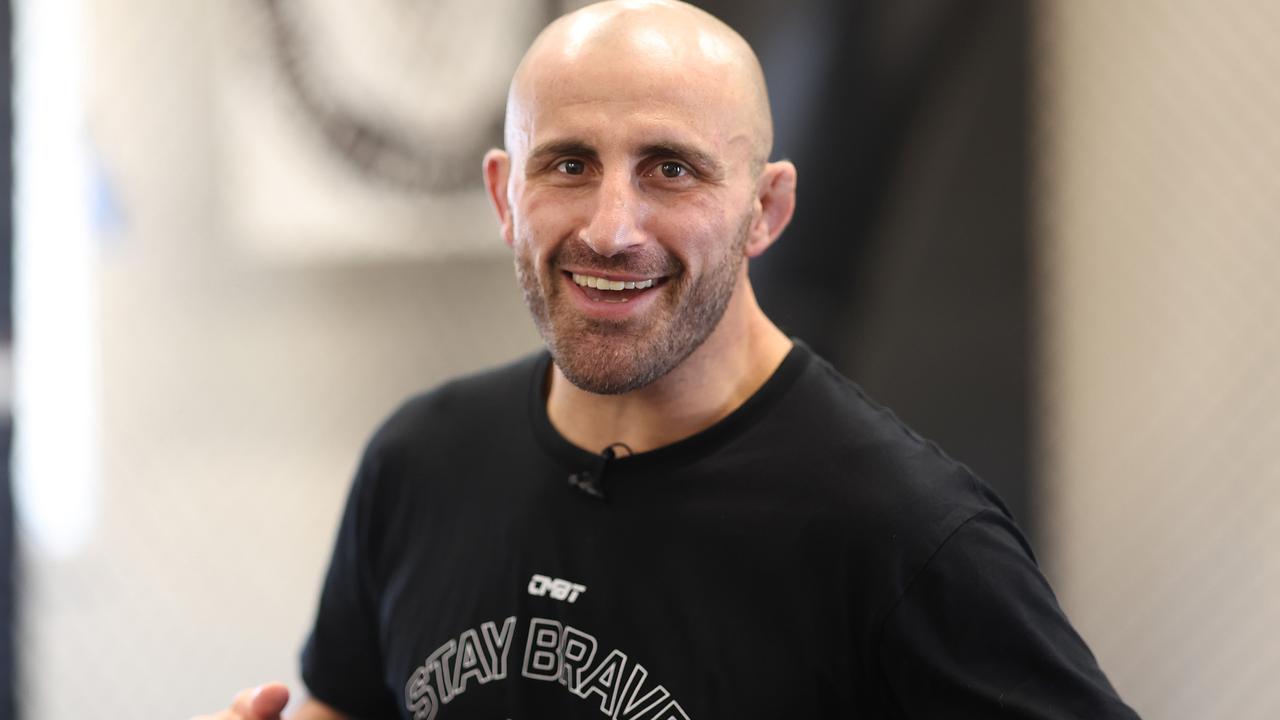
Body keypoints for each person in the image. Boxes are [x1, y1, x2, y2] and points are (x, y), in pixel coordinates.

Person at [197, 1, 1139, 718]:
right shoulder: (419, 462)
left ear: (765, 210)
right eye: (568, 164)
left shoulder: (903, 534)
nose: (611, 228)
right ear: (504, 194)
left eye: (670, 169)